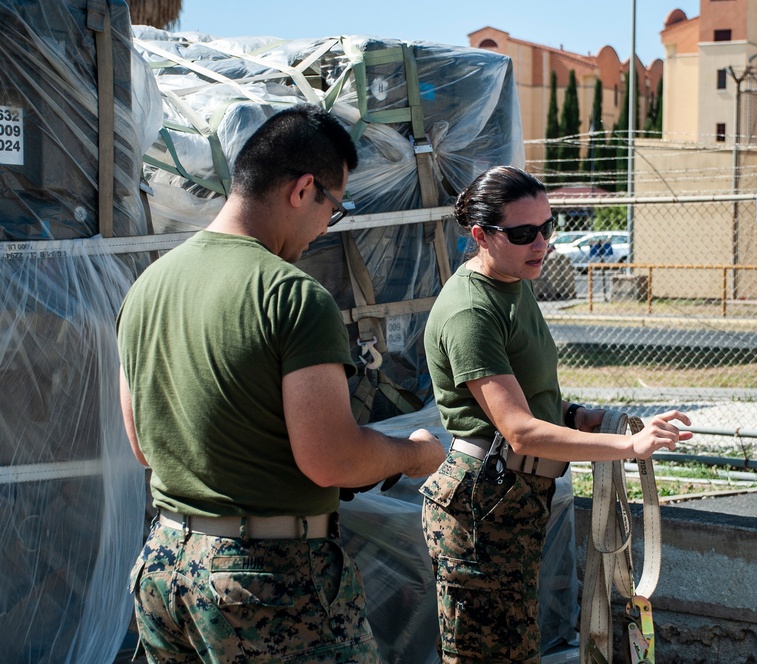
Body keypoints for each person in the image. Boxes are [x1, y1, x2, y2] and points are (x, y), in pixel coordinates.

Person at [116, 104, 445, 663]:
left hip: (167, 567)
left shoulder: (147, 287)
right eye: (333, 210)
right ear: (303, 190)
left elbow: (145, 446)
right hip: (266, 581)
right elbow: (332, 461)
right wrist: (412, 455)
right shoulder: (292, 295)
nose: (324, 229)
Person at [420, 165, 693, 663]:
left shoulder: (513, 283)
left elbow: (525, 396)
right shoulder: (471, 311)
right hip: (485, 500)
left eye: (549, 227)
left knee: (518, 648)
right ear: (480, 235)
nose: (541, 243)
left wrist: (574, 414)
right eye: (524, 233)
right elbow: (520, 431)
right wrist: (628, 446)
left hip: (514, 498)